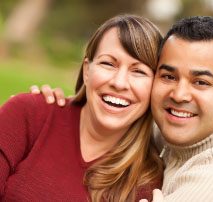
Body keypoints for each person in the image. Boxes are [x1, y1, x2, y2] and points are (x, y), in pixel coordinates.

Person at [38, 16, 213, 202]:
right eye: (168, 76)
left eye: (201, 82)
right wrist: (63, 108)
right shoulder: (177, 123)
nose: (178, 95)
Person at [0, 14, 164, 202]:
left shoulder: (146, 182)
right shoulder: (29, 113)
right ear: (87, 71)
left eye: (138, 71)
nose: (119, 83)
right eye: (108, 63)